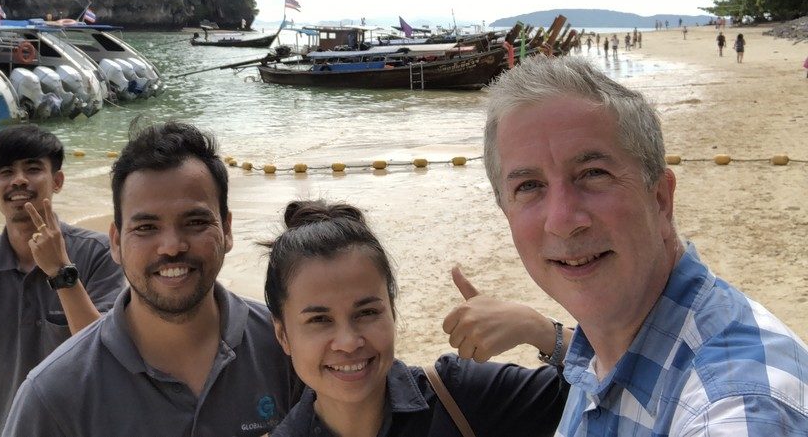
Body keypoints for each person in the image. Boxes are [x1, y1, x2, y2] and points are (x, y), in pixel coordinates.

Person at [481, 56, 808, 435]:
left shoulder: (732, 406)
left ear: (660, 199)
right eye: (529, 186)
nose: (562, 221)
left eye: (593, 174)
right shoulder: (610, 340)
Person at [1, 121, 299, 436]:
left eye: (195, 222)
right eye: (146, 228)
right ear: (115, 242)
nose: (171, 247)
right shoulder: (54, 394)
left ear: (226, 230)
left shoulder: (288, 349)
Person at [266, 200, 569, 437]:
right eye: (320, 320)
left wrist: (537, 329)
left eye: (368, 312)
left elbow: (608, 383)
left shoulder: (458, 397)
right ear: (283, 336)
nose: (348, 342)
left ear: (392, 312)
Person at [0, 125, 123, 437]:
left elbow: (105, 355)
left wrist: (61, 271)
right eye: (6, 172)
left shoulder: (100, 254)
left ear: (57, 181)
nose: (18, 179)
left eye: (33, 169)